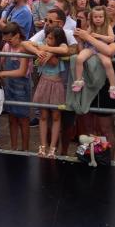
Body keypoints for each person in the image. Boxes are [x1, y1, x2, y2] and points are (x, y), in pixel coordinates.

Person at [30, 26, 69, 159]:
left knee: (56, 116)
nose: (47, 39)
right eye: (47, 36)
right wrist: (38, 50)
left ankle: (53, 147)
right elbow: (26, 43)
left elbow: (60, 55)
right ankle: (42, 146)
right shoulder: (43, 46)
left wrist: (48, 50)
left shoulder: (59, 48)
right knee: (44, 116)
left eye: (51, 38)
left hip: (56, 85)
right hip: (44, 83)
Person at [0, 23, 31, 151]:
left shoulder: (24, 47)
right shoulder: (7, 46)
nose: (8, 42)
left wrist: (3, 73)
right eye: (6, 40)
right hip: (9, 85)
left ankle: (25, 149)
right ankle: (14, 148)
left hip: (22, 85)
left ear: (17, 35)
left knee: (23, 118)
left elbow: (22, 72)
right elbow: (2, 62)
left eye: (10, 39)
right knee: (12, 118)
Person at [72, 6, 115, 98]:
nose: (98, 19)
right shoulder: (91, 27)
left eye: (100, 17)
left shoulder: (107, 26)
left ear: (104, 17)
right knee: (79, 58)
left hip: (102, 49)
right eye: (95, 17)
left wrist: (98, 36)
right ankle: (78, 81)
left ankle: (113, 86)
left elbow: (111, 38)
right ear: (91, 18)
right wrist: (79, 35)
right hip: (90, 47)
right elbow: (85, 38)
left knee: (107, 63)